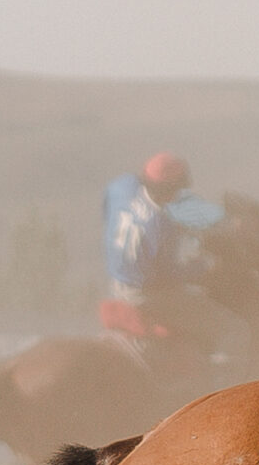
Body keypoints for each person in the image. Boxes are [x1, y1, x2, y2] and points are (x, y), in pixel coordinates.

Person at [101, 151, 239, 369]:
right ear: (172, 190)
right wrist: (205, 267)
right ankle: (220, 387)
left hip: (116, 285)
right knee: (233, 329)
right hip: (146, 296)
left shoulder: (123, 187)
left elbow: (108, 209)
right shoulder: (160, 224)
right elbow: (166, 275)